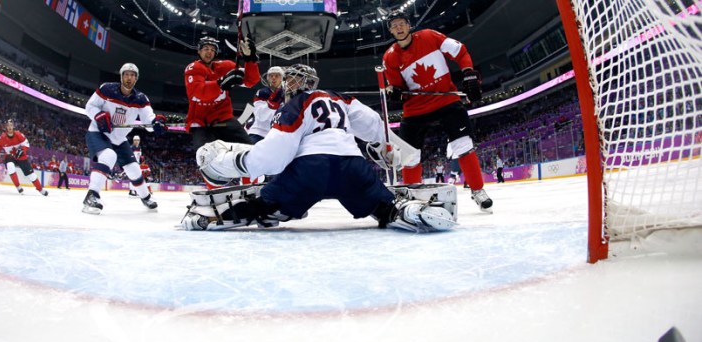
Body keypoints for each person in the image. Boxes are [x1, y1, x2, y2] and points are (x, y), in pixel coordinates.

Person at [181, 64, 457, 233]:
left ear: (301, 83)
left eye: (290, 80)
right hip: (353, 166)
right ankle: (408, 213)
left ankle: (216, 217)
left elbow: (275, 157)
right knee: (383, 208)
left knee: (263, 205)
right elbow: (373, 124)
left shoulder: (294, 105)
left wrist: (232, 161)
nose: (287, 85)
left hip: (310, 170)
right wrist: (384, 147)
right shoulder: (339, 98)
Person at [382, 11, 493, 212]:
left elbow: (461, 51)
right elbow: (398, 89)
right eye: (394, 25)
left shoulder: (429, 36)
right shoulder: (390, 57)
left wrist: (468, 73)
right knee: (410, 157)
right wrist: (394, 92)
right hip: (415, 109)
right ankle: (413, 199)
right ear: (390, 31)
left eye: (402, 23)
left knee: (463, 145)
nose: (398, 28)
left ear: (409, 25)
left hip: (446, 100)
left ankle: (478, 191)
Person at [82, 62, 166, 214]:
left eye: (133, 76)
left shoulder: (141, 98)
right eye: (126, 74)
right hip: (98, 132)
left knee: (134, 168)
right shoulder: (106, 88)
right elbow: (89, 107)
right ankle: (91, 196)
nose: (129, 78)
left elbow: (148, 120)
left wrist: (156, 123)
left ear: (136, 79)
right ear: (121, 76)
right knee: (108, 155)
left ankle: (145, 197)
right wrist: (98, 116)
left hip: (119, 138)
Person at [183, 36, 260, 187]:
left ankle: (250, 189)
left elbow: (251, 81)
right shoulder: (193, 68)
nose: (209, 52)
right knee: (206, 158)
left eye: (212, 50)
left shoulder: (226, 66)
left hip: (224, 118)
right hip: (201, 123)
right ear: (199, 51)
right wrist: (221, 83)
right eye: (206, 49)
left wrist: (250, 60)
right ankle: (214, 192)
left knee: (251, 152)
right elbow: (197, 92)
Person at [0, 118, 48, 196]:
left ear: (13, 126)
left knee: (31, 175)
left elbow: (26, 145)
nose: (9, 127)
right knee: (10, 167)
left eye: (11, 125)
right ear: (5, 127)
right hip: (10, 156)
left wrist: (22, 150)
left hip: (21, 157)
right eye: (8, 125)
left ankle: (40, 189)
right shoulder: (2, 138)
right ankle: (18, 187)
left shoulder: (19, 134)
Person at [247, 66, 285, 144]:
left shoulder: (287, 94)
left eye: (277, 76)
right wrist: (272, 104)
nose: (273, 78)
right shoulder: (262, 93)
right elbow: (261, 116)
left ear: (281, 78)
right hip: (259, 132)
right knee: (249, 152)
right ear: (268, 78)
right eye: (271, 76)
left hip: (278, 133)